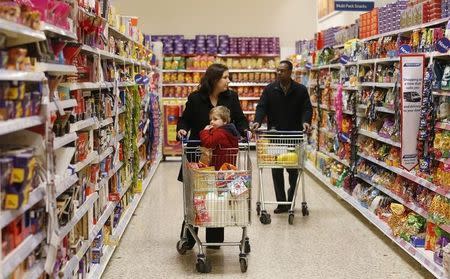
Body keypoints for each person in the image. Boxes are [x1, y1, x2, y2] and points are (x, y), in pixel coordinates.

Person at [177, 63, 249, 249]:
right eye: (225, 77)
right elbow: (185, 119)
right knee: (196, 197)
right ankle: (190, 238)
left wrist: (245, 130)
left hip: (222, 158)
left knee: (218, 198)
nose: (228, 81)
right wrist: (182, 129)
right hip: (198, 156)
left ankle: (214, 239)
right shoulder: (195, 98)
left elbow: (240, 119)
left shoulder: (231, 97)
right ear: (214, 79)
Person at [251, 60, 312, 214]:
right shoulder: (270, 89)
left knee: (293, 171)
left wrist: (305, 122)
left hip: (294, 136)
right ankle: (281, 203)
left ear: (290, 72)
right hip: (276, 135)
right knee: (276, 170)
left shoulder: (301, 90)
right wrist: (257, 121)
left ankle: (290, 200)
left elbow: (307, 109)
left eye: (282, 70)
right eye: (277, 70)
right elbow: (261, 107)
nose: (279, 73)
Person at [199, 106, 240, 170]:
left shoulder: (220, 133)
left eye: (215, 119)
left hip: (219, 166)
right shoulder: (228, 131)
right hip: (227, 165)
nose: (211, 122)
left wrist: (205, 132)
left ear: (225, 121)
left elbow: (208, 143)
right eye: (211, 119)